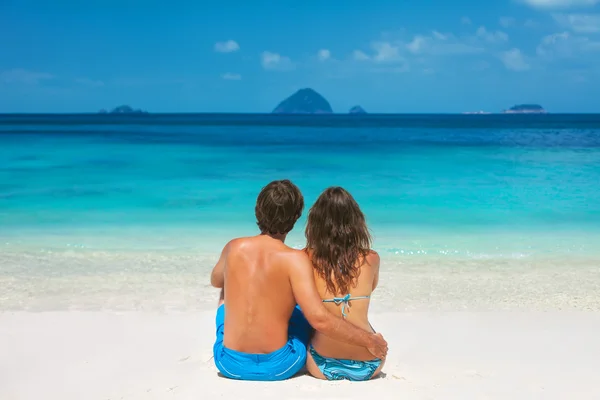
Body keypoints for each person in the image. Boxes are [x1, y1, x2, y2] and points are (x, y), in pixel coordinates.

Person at [210, 180, 388, 381]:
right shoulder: (296, 259)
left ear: (257, 210)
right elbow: (320, 318)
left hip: (229, 364)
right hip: (280, 366)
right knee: (304, 308)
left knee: (225, 294)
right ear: (296, 218)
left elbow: (216, 280)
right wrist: (370, 340)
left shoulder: (234, 247)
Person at [305, 187, 385, 381]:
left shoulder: (305, 257)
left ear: (316, 222)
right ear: (356, 221)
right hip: (371, 362)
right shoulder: (371, 259)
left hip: (320, 363)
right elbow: (370, 289)